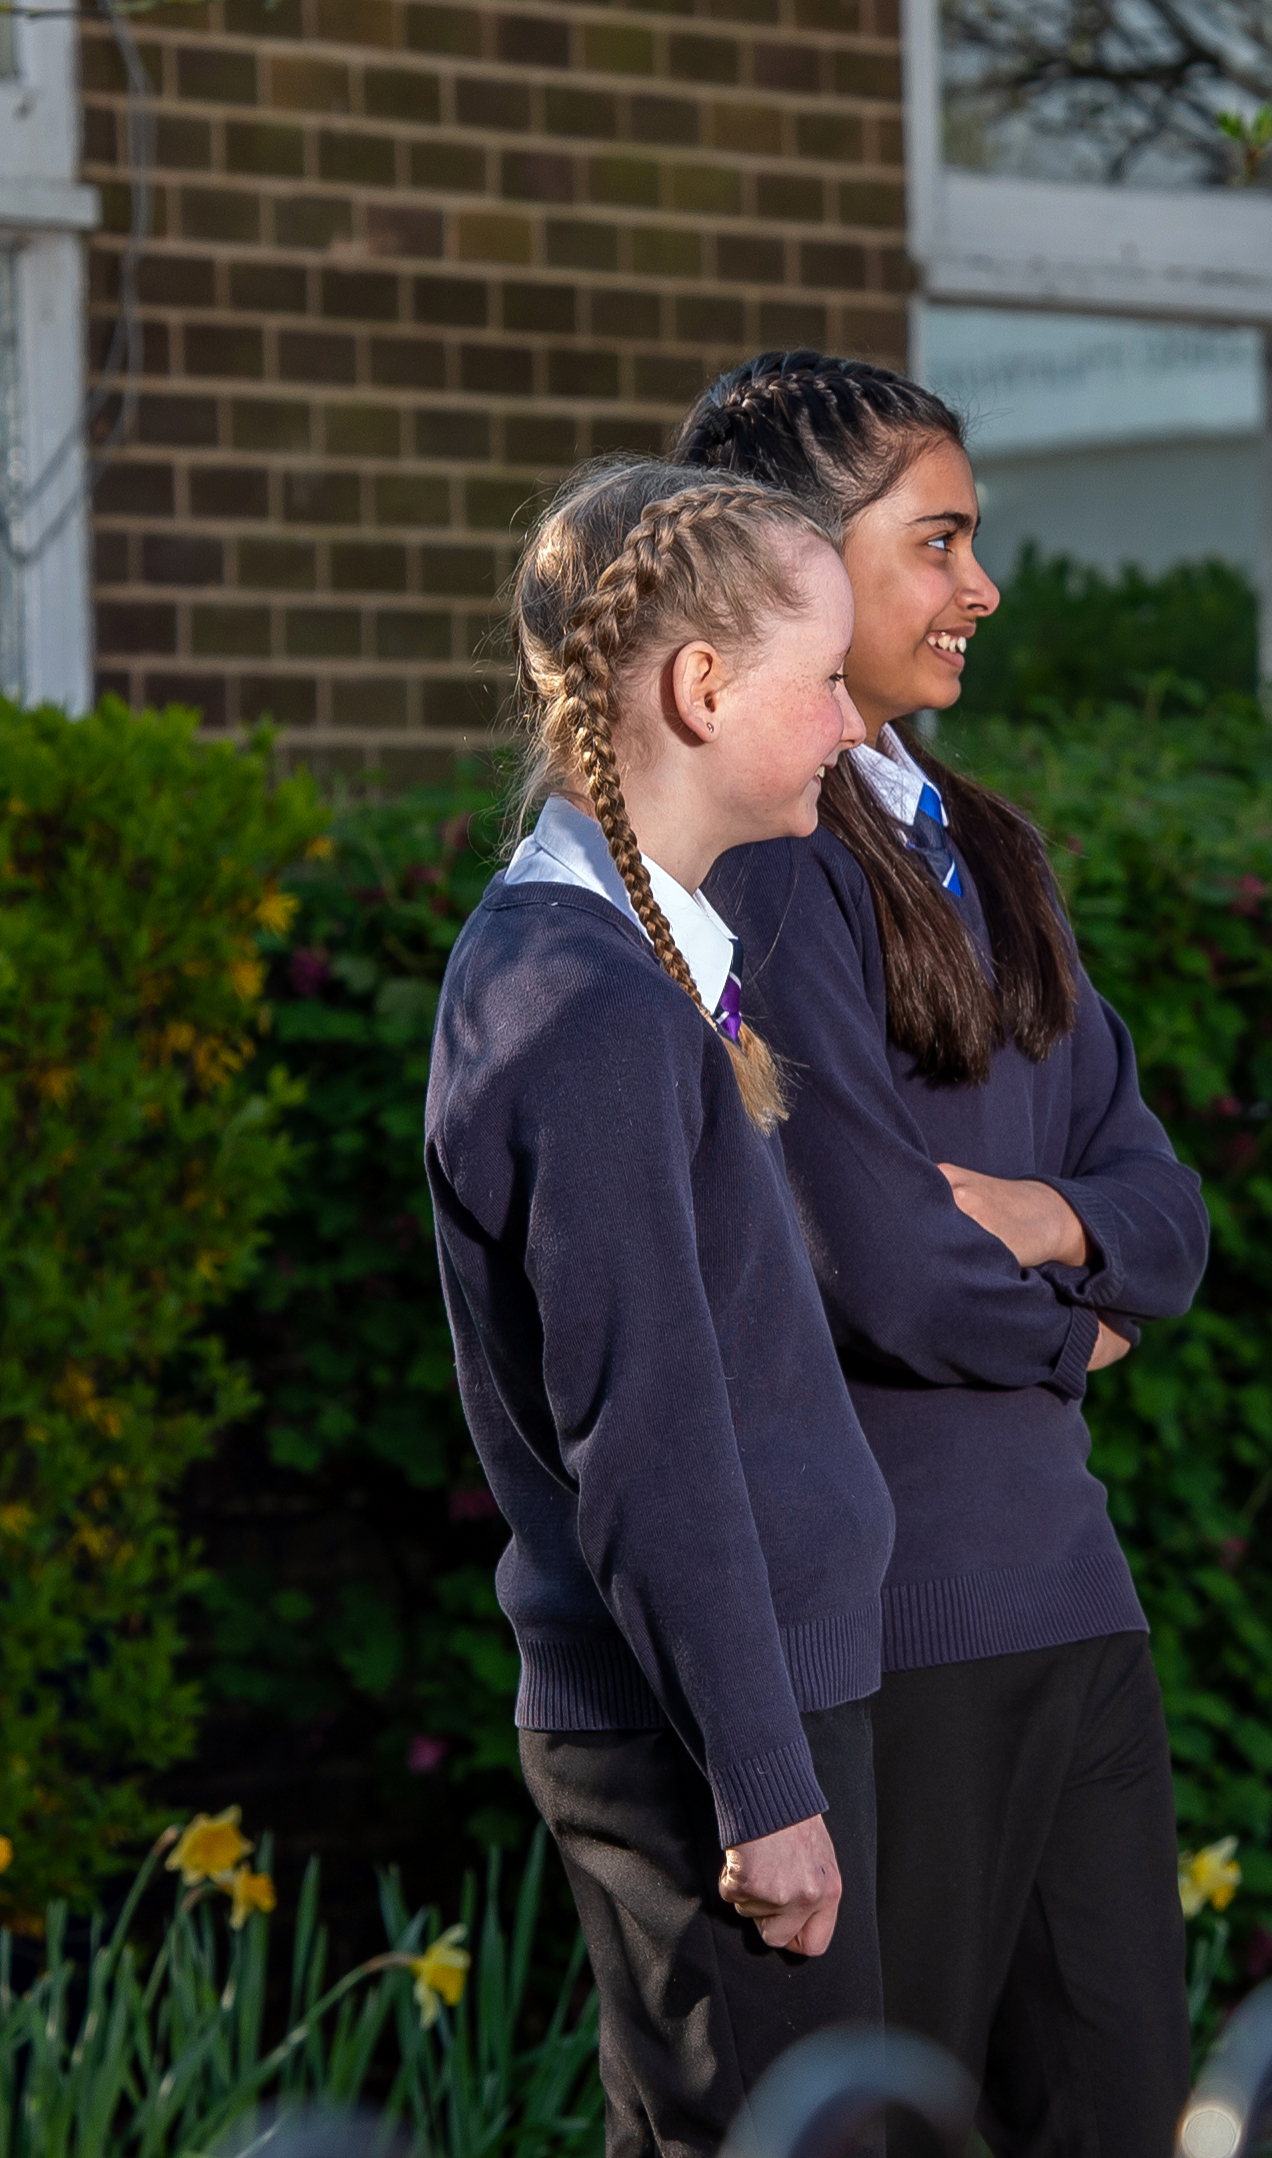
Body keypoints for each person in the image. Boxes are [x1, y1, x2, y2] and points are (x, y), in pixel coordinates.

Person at [682, 353, 1213, 2158]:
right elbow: (880, 1264)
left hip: (1077, 1609)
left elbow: (1168, 1211)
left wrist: (1055, 1223)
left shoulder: (987, 844)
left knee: (1119, 2117)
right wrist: (1083, 1319)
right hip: (890, 1646)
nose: (978, 587)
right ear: (797, 566)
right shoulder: (762, 868)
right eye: (939, 542)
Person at [427, 460, 894, 2157]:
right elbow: (651, 1435)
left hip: (746, 1698)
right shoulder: (584, 1004)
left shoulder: (638, 962)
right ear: (702, 688)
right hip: (704, 1733)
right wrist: (764, 1787)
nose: (857, 723)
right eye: (827, 680)